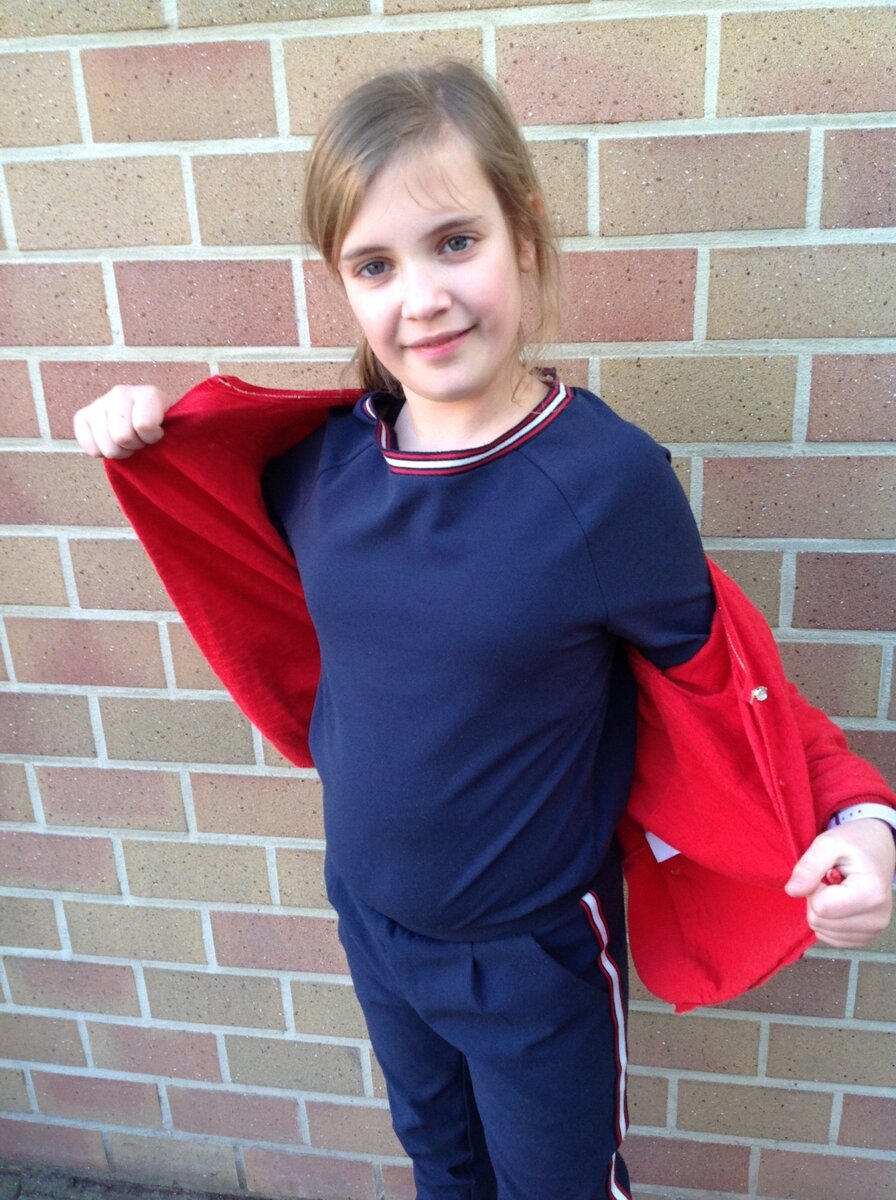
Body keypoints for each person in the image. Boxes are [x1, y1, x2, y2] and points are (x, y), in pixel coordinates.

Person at [74, 62, 894, 1200]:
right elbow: (213, 512)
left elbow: (733, 688)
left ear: (524, 237)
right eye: (375, 264)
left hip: (531, 958)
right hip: (372, 922)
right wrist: (142, 437)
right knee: (443, 1169)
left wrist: (862, 818)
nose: (422, 297)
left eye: (455, 242)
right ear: (342, 284)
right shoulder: (321, 469)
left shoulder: (603, 484)